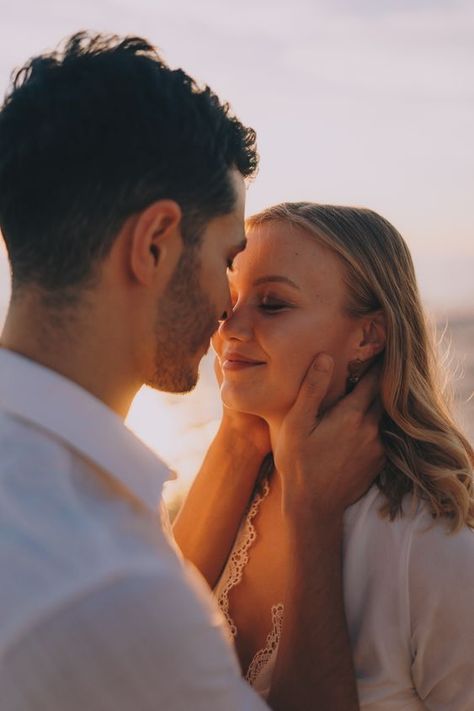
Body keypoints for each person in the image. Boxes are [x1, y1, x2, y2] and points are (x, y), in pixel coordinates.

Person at [0, 33, 383, 710]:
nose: (228, 305)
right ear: (153, 244)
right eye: (226, 258)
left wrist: (240, 441)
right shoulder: (110, 590)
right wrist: (313, 511)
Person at [174, 202, 474, 710]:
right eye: (230, 303)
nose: (230, 328)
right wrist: (240, 435)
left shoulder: (430, 544)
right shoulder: (234, 490)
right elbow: (142, 649)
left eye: (272, 304)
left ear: (367, 336)